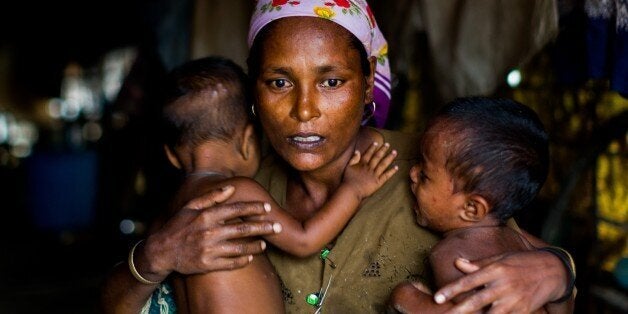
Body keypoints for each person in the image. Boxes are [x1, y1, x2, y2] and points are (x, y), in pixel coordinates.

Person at [100, 1, 576, 313]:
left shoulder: (432, 168)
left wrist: (558, 273)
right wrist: (157, 255)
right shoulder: (231, 184)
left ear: (368, 83)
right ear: (253, 91)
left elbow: (518, 269)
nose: (303, 110)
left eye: (331, 82)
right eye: (279, 82)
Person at [156, 55, 398, 313]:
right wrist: (354, 189)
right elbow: (304, 241)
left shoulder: (168, 217)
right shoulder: (235, 191)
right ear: (248, 141)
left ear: (171, 155)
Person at [388, 97, 574, 313]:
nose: (412, 173)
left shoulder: (454, 254)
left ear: (471, 209)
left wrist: (407, 298)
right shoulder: (523, 244)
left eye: (425, 175)